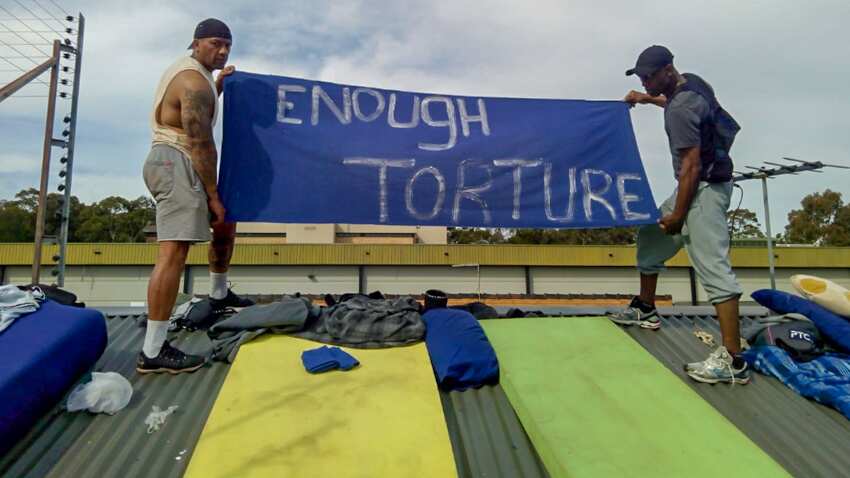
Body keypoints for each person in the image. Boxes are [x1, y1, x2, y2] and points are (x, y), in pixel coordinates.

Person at [610, 45, 749, 385]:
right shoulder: (692, 86)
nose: (645, 81)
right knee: (651, 235)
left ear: (668, 70)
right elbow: (673, 103)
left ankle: (733, 360)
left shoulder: (680, 109)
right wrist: (646, 99)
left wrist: (679, 216)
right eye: (641, 77)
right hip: (696, 186)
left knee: (713, 267)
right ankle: (646, 307)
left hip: (703, 190)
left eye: (649, 77)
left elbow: (690, 167)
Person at [138, 18, 253, 374]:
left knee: (225, 224)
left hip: (179, 161)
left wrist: (219, 85)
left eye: (227, 45)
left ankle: (218, 294)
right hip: (176, 163)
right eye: (215, 43)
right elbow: (202, 141)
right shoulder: (192, 82)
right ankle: (153, 351)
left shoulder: (201, 78)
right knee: (173, 251)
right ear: (196, 43)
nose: (222, 50)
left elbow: (199, 109)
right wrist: (213, 194)